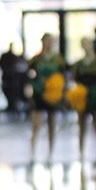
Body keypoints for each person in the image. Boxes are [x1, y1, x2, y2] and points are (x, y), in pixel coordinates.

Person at [26, 33, 67, 162]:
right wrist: (34, 85)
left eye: (51, 41)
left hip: (52, 94)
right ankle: (32, 151)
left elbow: (64, 75)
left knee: (51, 122)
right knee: (35, 123)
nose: (48, 44)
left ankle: (50, 153)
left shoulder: (58, 60)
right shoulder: (36, 59)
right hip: (39, 93)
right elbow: (28, 74)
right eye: (46, 41)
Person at [70, 37, 96, 159]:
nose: (86, 47)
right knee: (81, 125)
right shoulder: (78, 65)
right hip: (82, 97)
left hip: (95, 96)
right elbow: (74, 79)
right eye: (84, 44)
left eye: (88, 44)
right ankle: (81, 152)